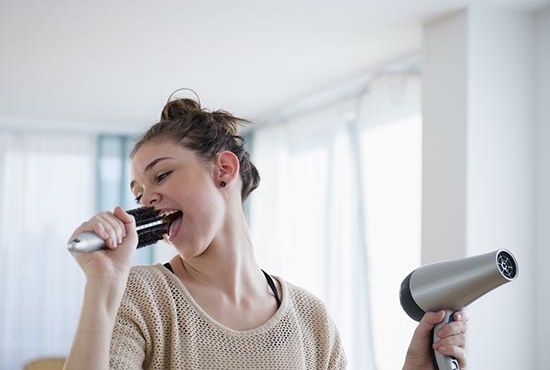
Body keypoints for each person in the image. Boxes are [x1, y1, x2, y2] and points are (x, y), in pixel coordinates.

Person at [64, 92, 468, 370]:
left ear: (224, 170)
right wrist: (102, 282)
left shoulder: (312, 319)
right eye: (137, 191)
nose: (146, 199)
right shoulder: (139, 295)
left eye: (162, 175)